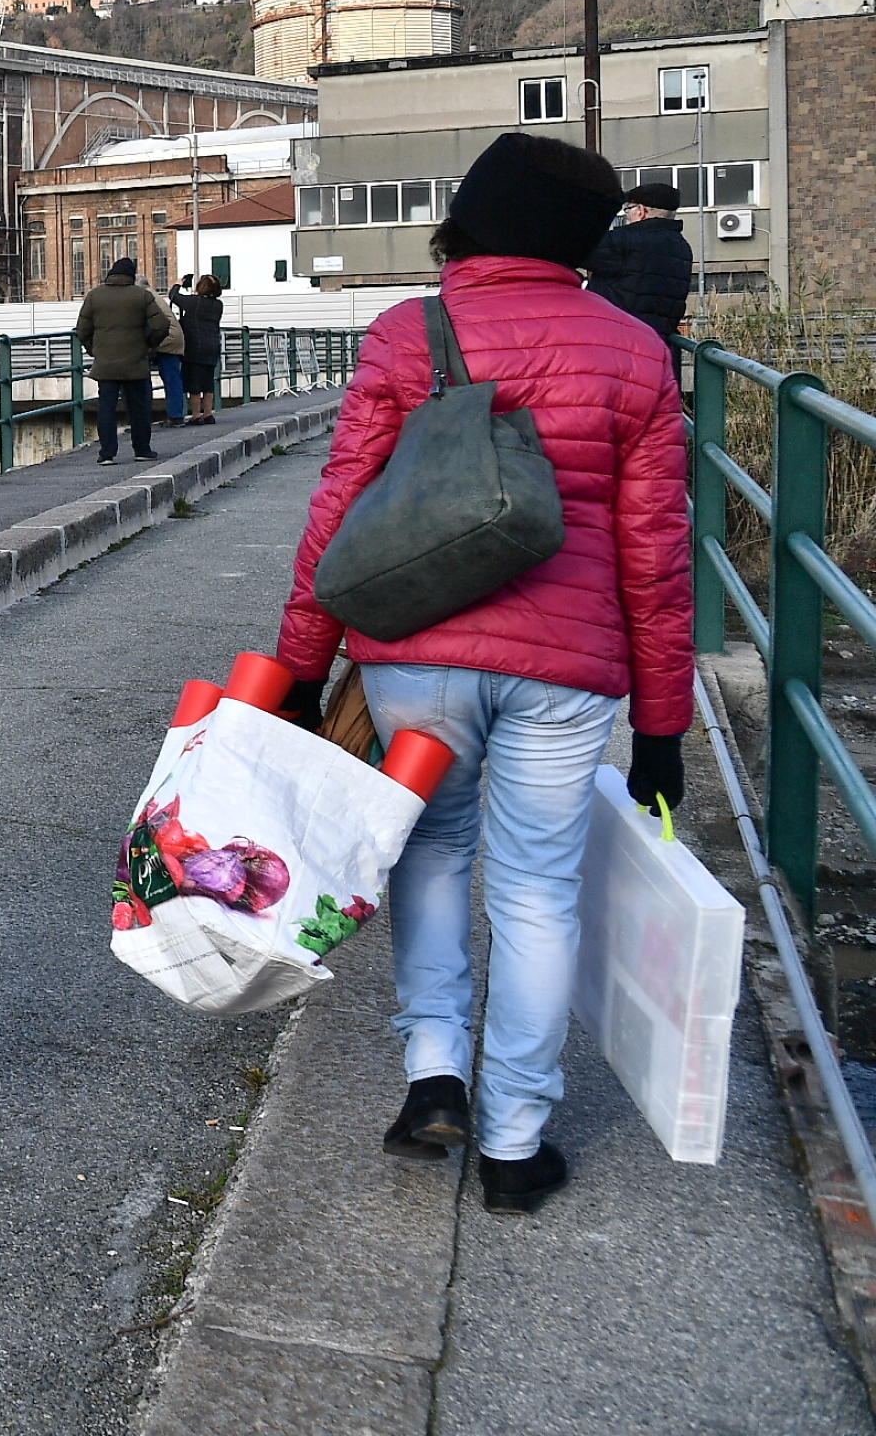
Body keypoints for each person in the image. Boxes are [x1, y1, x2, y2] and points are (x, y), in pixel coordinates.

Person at [273, 132, 693, 1218]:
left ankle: (432, 1080)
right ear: (582, 241)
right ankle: (515, 1141)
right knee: (539, 890)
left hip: (417, 649)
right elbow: (656, 556)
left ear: (468, 219)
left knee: (431, 850)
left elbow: (340, 515)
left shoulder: (410, 333)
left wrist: (299, 666)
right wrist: (661, 727)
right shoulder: (637, 352)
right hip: (570, 668)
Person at [74, 256, 173, 465]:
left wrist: (95, 350)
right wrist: (148, 345)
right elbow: (161, 325)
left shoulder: (94, 296)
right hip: (135, 362)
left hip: (106, 364)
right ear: (131, 275)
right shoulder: (142, 296)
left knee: (107, 408)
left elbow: (82, 330)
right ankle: (142, 450)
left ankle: (107, 454)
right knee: (139, 408)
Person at [587, 180, 695, 350]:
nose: (627, 215)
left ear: (641, 211)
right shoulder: (682, 247)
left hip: (618, 343)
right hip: (659, 345)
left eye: (628, 209)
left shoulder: (625, 241)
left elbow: (574, 251)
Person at [176, 275, 226, 425]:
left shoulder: (194, 302)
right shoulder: (218, 305)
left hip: (195, 347)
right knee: (208, 381)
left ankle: (196, 415)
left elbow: (174, 296)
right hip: (212, 346)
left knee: (194, 382)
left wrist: (178, 284)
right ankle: (208, 414)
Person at [151, 298, 189, 427]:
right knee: (172, 378)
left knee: (171, 378)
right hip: (172, 339)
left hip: (167, 341)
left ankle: (175, 415)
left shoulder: (145, 296)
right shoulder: (154, 296)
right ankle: (176, 415)